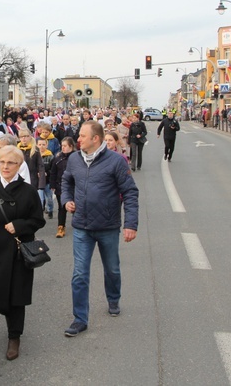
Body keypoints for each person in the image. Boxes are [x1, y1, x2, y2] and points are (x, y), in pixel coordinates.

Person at [61, 121, 139, 337]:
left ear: (96, 139)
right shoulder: (74, 159)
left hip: (108, 226)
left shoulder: (116, 162)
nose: (78, 140)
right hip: (82, 227)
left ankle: (113, 299)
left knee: (112, 268)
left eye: (83, 136)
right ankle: (79, 319)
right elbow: (66, 182)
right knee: (79, 274)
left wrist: (131, 224)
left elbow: (131, 192)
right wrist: (66, 200)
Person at [0, 145, 45, 361]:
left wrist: (19, 225)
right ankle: (9, 318)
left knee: (16, 297)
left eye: (10, 162)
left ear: (19, 165)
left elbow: (38, 220)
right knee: (2, 298)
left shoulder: (29, 191)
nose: (5, 166)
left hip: (20, 252)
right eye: (2, 162)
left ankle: (14, 336)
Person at [49, 137, 74, 238]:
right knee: (61, 207)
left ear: (71, 146)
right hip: (61, 186)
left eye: (65, 146)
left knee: (76, 207)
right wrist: (52, 185)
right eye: (62, 146)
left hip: (75, 186)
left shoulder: (77, 157)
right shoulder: (58, 158)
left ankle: (79, 225)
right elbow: (53, 172)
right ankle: (61, 227)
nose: (62, 148)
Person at [17, 129, 46, 204]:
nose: (24, 138)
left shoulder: (35, 150)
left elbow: (41, 167)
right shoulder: (16, 150)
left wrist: (41, 185)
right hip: (19, 180)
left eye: (26, 136)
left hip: (32, 180)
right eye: (22, 136)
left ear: (30, 137)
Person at [36, 138, 55, 219]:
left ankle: (50, 210)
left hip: (47, 181)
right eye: (40, 144)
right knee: (40, 198)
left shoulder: (50, 156)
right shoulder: (35, 155)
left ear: (47, 145)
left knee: (49, 198)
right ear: (37, 145)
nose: (42, 146)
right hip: (39, 182)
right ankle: (40, 213)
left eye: (43, 144)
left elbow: (53, 169)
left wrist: (48, 173)